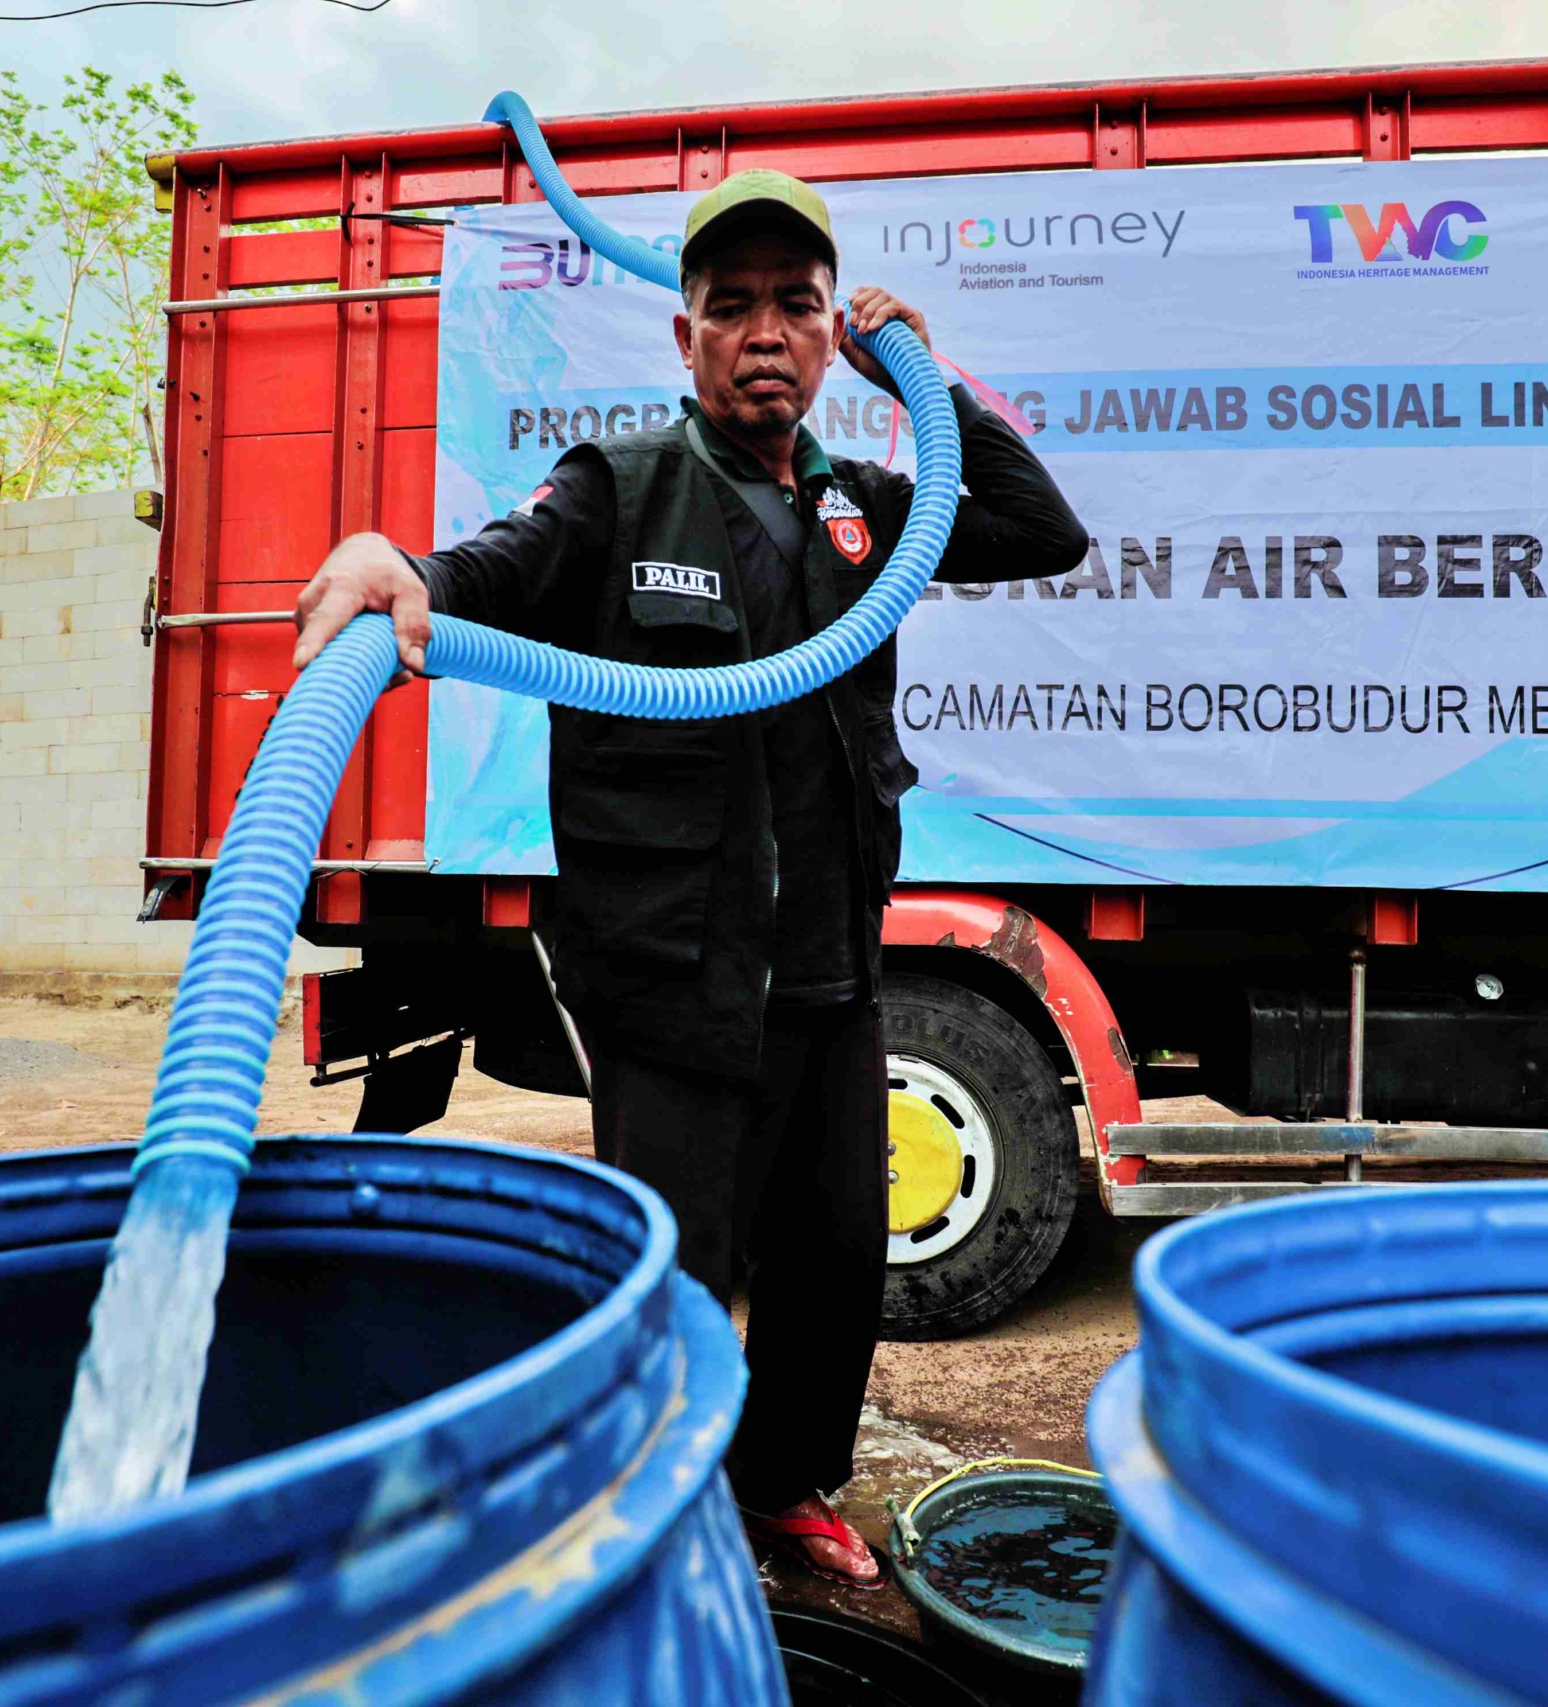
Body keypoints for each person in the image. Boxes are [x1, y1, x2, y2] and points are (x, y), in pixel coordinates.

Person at [291, 168, 1087, 1585]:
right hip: (671, 981)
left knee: (836, 1266)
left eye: (797, 303)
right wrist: (388, 565)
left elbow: (1042, 532)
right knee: (672, 1269)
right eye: (732, 307)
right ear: (687, 339)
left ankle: (782, 1488)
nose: (765, 330)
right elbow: (486, 572)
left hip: (838, 972)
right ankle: (643, 1520)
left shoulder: (871, 513)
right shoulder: (618, 491)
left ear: (831, 327)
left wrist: (927, 381)